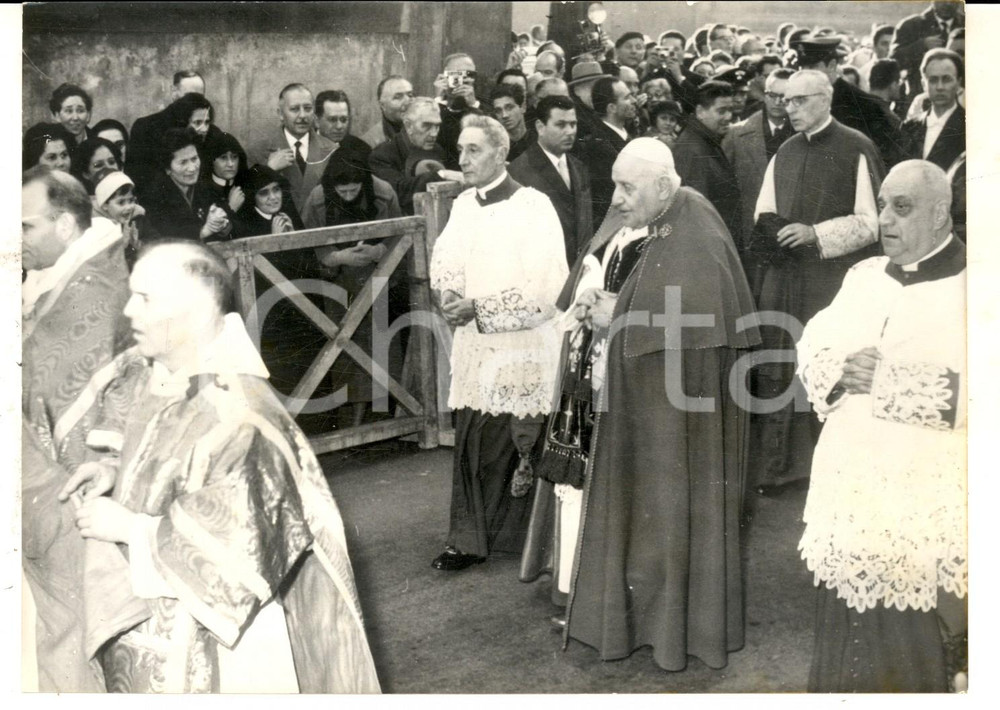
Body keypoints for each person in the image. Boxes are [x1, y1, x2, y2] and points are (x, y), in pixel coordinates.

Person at [56, 240, 381, 693]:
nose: (128, 311)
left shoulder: (243, 413)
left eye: (145, 298)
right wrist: (116, 469)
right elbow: (165, 451)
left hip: (225, 649)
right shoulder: (173, 374)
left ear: (197, 308)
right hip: (156, 621)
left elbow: (240, 542)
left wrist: (131, 529)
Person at [563, 138, 759, 671]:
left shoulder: (693, 226)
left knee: (670, 511)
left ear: (664, 186)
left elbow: (695, 322)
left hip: (680, 407)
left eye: (627, 187)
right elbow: (662, 303)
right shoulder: (677, 217)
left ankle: (671, 630)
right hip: (664, 398)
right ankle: (654, 623)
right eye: (615, 187)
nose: (618, 199)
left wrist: (616, 318)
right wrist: (619, 308)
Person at [795, 160, 966, 692]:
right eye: (884, 204)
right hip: (851, 482)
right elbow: (814, 344)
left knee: (913, 632)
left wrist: (890, 383)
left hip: (921, 489)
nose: (885, 219)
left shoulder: (974, 286)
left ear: (940, 215)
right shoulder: (864, 276)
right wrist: (840, 368)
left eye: (902, 207)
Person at [429, 115, 568, 571]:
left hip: (522, 344)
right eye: (461, 150)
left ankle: (522, 538)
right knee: (473, 438)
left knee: (518, 442)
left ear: (500, 154)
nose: (462, 159)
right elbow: (447, 257)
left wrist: (481, 308)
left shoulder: (534, 206)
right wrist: (449, 292)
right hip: (476, 345)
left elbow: (548, 289)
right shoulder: (465, 204)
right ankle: (468, 539)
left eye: (474, 150)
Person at [21, 166, 131, 692]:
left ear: (65, 225)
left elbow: (45, 381)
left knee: (70, 624)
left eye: (26, 227)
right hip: (43, 474)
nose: (13, 240)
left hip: (65, 478)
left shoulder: (88, 287)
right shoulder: (55, 272)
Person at [748, 69, 884, 494]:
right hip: (786, 279)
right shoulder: (784, 151)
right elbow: (763, 213)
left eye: (800, 100)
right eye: (785, 101)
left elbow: (870, 224)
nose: (790, 109)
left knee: (830, 365)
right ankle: (785, 467)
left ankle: (832, 470)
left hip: (833, 282)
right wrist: (776, 232)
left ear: (826, 100)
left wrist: (815, 233)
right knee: (783, 366)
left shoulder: (857, 147)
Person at [303, 150, 404, 428]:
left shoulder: (383, 192)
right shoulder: (317, 198)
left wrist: (379, 250)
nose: (348, 193)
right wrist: (335, 257)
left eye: (354, 187)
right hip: (337, 283)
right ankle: (352, 422)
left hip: (378, 278)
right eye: (342, 189)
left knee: (382, 345)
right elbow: (308, 242)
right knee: (346, 349)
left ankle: (382, 418)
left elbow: (400, 234)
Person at [793, 36, 906, 170]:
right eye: (801, 68)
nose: (805, 74)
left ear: (832, 66)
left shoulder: (864, 106)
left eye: (813, 67)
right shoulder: (796, 103)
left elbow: (887, 157)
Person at [509, 95, 593, 264]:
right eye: (561, 125)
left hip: (578, 271)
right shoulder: (518, 171)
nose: (570, 131)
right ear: (540, 127)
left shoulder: (578, 167)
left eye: (573, 124)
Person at [723, 68, 794, 258]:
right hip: (750, 233)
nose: (778, 102)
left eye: (784, 96)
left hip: (790, 231)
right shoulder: (736, 134)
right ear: (764, 95)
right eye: (773, 95)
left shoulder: (802, 133)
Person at [672, 80, 744, 249]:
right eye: (721, 111)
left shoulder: (704, 141)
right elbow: (694, 213)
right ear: (700, 111)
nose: (728, 117)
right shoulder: (693, 150)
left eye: (730, 111)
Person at [247, 83, 338, 215]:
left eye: (307, 108)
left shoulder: (331, 150)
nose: (302, 115)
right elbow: (247, 200)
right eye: (294, 109)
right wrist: (268, 170)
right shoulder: (258, 151)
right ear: (281, 114)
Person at [368, 97, 460, 215]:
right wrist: (441, 174)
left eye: (437, 126)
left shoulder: (438, 150)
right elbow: (399, 192)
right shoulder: (381, 156)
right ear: (409, 126)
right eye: (426, 125)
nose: (434, 133)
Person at [143, 128, 232, 241]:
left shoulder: (207, 188)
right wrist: (204, 231)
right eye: (183, 162)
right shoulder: (155, 198)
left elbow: (229, 229)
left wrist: (222, 223)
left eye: (194, 159)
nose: (192, 168)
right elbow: (165, 238)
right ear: (167, 169)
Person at [126, 70, 205, 185]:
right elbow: (138, 178)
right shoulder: (145, 128)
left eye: (200, 97)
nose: (195, 103)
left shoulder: (206, 130)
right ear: (174, 92)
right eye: (189, 97)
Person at [579, 77, 634, 227]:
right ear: (611, 108)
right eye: (627, 98)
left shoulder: (622, 136)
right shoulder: (600, 147)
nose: (634, 101)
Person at [891, 1, 964, 112]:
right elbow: (893, 59)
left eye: (953, 1)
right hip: (920, 98)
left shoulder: (970, 23)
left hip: (961, 98)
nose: (948, 4)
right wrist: (921, 45)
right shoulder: (911, 25)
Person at [900, 49, 965, 171]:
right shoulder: (909, 127)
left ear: (958, 83)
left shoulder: (970, 127)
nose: (940, 87)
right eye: (933, 80)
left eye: (946, 79)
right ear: (924, 84)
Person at [91, 170, 157, 268]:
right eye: (121, 202)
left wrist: (138, 244)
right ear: (105, 205)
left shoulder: (138, 220)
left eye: (131, 200)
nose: (129, 207)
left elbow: (156, 244)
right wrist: (122, 246)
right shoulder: (98, 229)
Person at [434, 53, 485, 166]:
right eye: (459, 74)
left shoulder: (483, 106)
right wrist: (439, 101)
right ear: (445, 76)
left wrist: (472, 105)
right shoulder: (433, 106)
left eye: (470, 74)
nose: (465, 79)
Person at [233, 164, 304, 238]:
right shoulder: (245, 226)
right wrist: (274, 239)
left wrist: (294, 236)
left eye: (276, 189)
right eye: (264, 193)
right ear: (253, 198)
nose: (273, 197)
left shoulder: (289, 214)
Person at [314, 89, 373, 162]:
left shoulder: (362, 150)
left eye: (344, 119)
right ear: (317, 121)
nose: (339, 126)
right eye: (332, 120)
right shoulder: (302, 147)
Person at [200, 130, 249, 215]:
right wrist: (230, 208)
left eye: (234, 157)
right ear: (212, 161)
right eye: (223, 158)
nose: (230, 164)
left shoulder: (245, 186)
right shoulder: (202, 192)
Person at [360, 75, 414, 149]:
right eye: (398, 97)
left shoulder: (426, 132)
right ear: (382, 105)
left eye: (410, 95)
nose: (407, 102)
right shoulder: (370, 143)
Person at [490, 84, 533, 163]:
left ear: (523, 107)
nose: (504, 115)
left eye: (509, 107)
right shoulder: (495, 148)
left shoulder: (539, 141)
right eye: (498, 111)